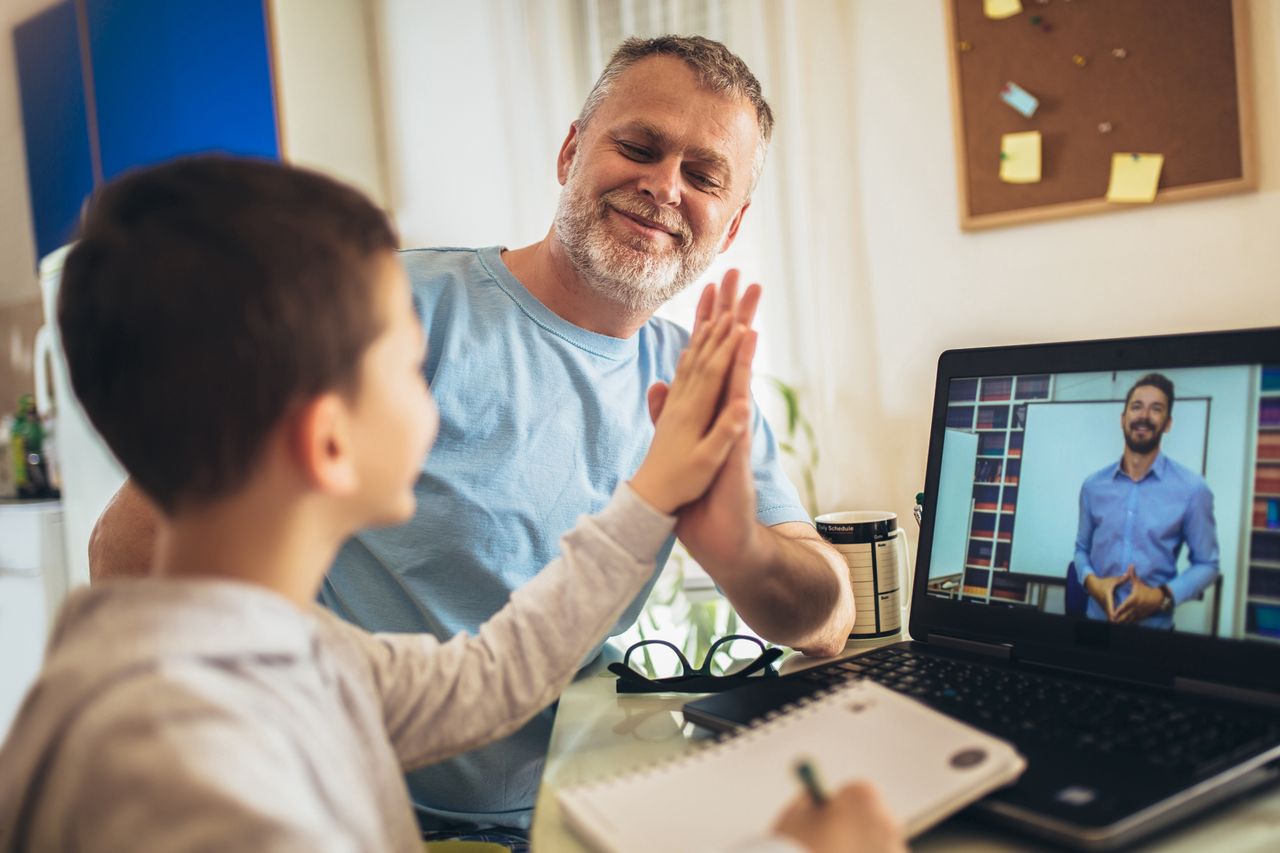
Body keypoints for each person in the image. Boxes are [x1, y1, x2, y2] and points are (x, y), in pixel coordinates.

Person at [0, 157, 902, 853]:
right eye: (403, 364)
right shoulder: (180, 762)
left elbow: (485, 678)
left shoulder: (263, 644)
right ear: (327, 440)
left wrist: (654, 495)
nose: (431, 387)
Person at [1074, 373, 1219, 628]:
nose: (1143, 416)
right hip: (1094, 631)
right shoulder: (1092, 486)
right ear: (1123, 418)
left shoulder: (1193, 489)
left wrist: (1162, 597)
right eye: (1137, 407)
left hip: (1155, 640)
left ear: (1168, 423)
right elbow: (1081, 550)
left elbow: (1207, 564)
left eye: (1156, 409)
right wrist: (1092, 583)